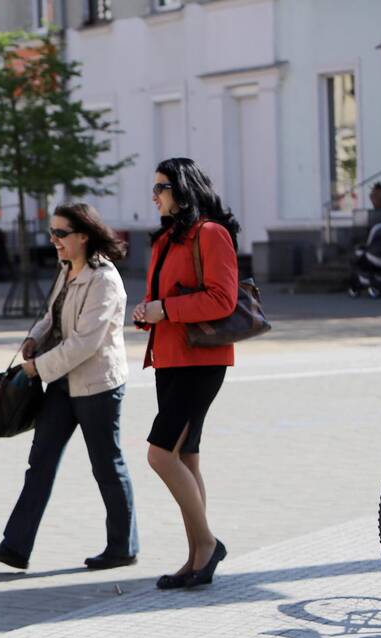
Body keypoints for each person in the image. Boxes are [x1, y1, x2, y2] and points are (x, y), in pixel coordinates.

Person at [0, 203, 138, 571]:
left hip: (98, 385)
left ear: (85, 235)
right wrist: (33, 340)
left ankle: (123, 546)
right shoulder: (67, 269)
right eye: (52, 233)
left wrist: (37, 369)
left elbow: (85, 343)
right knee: (41, 462)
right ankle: (15, 547)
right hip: (63, 383)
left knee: (106, 465)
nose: (54, 241)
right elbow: (52, 317)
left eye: (61, 234)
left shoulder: (105, 279)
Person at [132, 157, 239, 590]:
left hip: (202, 360)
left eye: (160, 187)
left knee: (160, 454)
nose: (154, 195)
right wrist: (147, 313)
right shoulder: (166, 241)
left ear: (182, 188)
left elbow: (222, 299)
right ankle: (197, 555)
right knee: (186, 456)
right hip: (170, 359)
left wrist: (167, 310)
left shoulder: (210, 234)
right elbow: (162, 298)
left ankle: (208, 545)